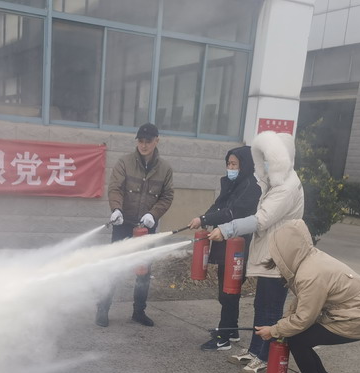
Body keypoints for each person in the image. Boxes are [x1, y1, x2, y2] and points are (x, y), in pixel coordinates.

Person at [254, 219, 360, 373]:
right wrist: (281, 325)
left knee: (298, 339)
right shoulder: (310, 260)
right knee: (298, 336)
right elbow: (302, 303)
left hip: (357, 318)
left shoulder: (309, 273)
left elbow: (303, 319)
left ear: (286, 252)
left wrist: (274, 330)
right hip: (353, 314)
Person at [210, 131, 304, 373]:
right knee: (261, 304)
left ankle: (264, 356)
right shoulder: (275, 182)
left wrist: (227, 229)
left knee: (271, 309)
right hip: (269, 254)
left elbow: (261, 219)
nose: (266, 163)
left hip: (279, 256)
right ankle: (254, 350)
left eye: (270, 158)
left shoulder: (286, 187)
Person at [96, 123, 174, 328]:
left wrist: (153, 214)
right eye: (140, 141)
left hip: (146, 227)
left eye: (148, 141)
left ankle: (139, 312)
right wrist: (116, 209)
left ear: (157, 141)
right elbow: (115, 188)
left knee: (143, 270)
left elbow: (167, 196)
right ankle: (103, 308)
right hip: (123, 223)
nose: (144, 145)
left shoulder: (165, 169)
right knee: (113, 267)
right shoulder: (125, 163)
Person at [188, 145, 261, 350]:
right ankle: (232, 329)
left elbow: (231, 213)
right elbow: (219, 206)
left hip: (239, 246)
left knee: (229, 291)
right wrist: (204, 218)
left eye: (234, 164)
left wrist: (204, 219)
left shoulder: (250, 186)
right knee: (227, 289)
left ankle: (224, 337)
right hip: (224, 241)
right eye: (228, 164)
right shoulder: (231, 184)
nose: (230, 168)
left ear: (245, 165)